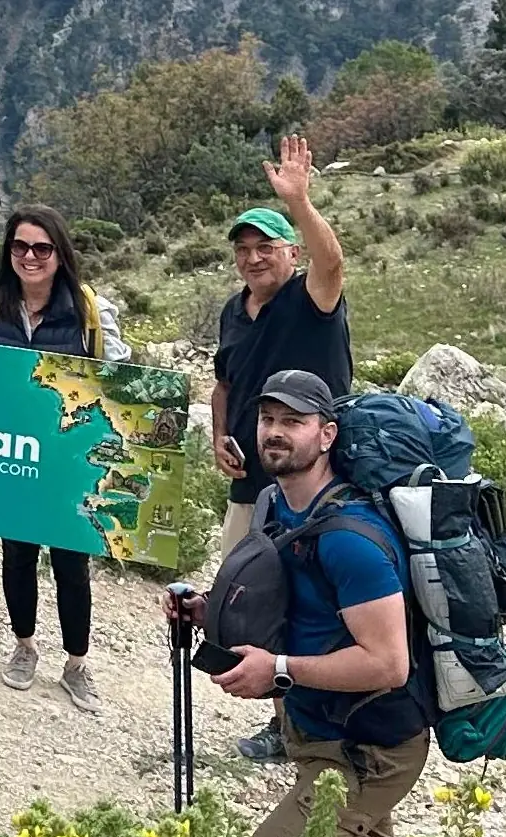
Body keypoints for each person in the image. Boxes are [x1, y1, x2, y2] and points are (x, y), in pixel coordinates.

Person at [165, 370, 428, 837]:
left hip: (369, 747)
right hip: (318, 731)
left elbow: (389, 664)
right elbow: (287, 597)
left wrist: (278, 669)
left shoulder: (352, 540)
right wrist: (206, 609)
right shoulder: (274, 504)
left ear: (327, 434)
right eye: (267, 419)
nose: (274, 431)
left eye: (293, 421)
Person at [0, 204, 131, 714]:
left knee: (73, 560)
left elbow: (112, 375)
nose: (30, 257)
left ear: (59, 254)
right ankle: (24, 645)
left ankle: (76, 662)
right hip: (11, 453)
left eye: (41, 248)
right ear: (8, 252)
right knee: (18, 554)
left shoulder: (90, 310)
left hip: (70, 456)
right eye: (20, 247)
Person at [211, 135, 353, 763]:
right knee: (255, 596)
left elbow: (333, 263)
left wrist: (298, 201)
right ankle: (281, 719)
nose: (252, 259)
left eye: (265, 247)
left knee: (314, 596)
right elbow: (224, 381)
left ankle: (321, 719)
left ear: (289, 252)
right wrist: (219, 433)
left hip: (313, 480)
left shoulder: (311, 300)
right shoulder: (233, 311)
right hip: (251, 482)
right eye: (243, 250)